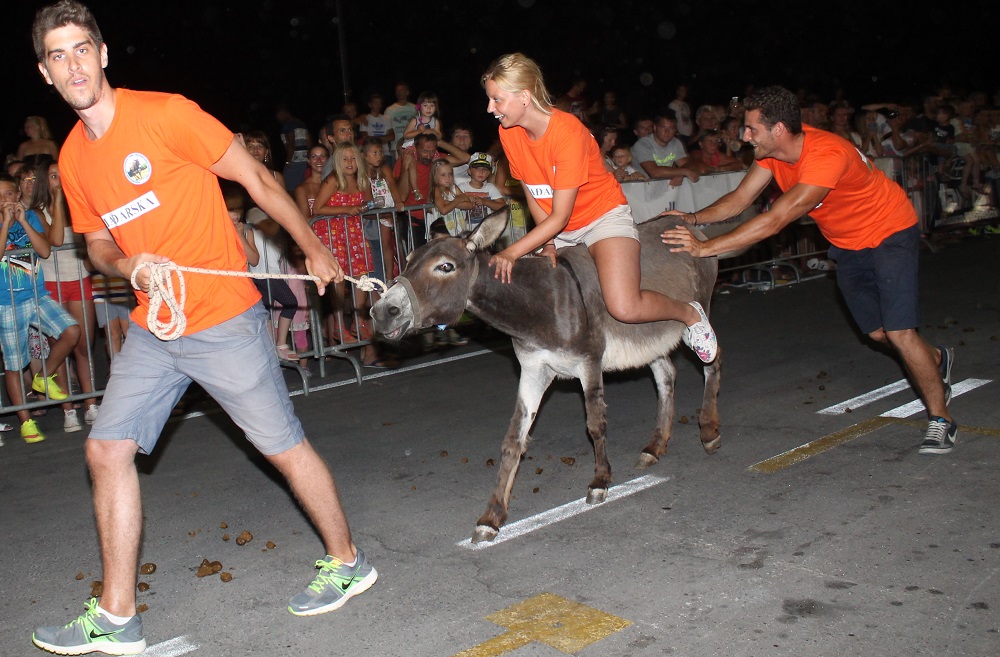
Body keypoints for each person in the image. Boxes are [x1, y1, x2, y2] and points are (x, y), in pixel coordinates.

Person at [30, 3, 376, 655]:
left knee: (282, 446)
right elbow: (99, 245)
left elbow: (257, 178)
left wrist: (310, 246)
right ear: (45, 73)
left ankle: (348, 560)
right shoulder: (74, 159)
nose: (73, 64)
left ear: (103, 55)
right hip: (156, 325)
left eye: (81, 49)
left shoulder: (166, 114)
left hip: (223, 315)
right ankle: (117, 615)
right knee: (105, 450)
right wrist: (129, 263)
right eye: (57, 55)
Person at [660, 85, 956, 455]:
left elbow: (775, 220)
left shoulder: (826, 156)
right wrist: (692, 217)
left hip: (889, 233)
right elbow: (739, 199)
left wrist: (705, 248)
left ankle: (941, 420)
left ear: (779, 129)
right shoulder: (771, 155)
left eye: (751, 129)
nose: (744, 135)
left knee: (900, 332)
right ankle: (937, 359)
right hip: (848, 245)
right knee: (879, 333)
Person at [481, 53, 717, 362]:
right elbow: (534, 193)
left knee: (624, 306)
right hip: (556, 226)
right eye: (489, 100)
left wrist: (511, 251)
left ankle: (690, 315)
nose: (490, 108)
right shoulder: (508, 133)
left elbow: (561, 214)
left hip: (601, 216)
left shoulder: (567, 133)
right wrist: (548, 242)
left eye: (497, 100)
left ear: (524, 97)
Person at [0, 173, 82, 444]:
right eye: (0, 196)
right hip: (6, 303)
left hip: (37, 296)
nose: (5, 200)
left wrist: (22, 220)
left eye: (9, 194)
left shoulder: (30, 217)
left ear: (17, 195)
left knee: (71, 331)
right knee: (14, 364)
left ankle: (43, 377)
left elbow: (45, 251)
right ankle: (26, 423)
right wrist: (5, 225)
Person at [26, 158, 101, 430]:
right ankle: (68, 408)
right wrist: (57, 200)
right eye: (54, 176)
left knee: (83, 346)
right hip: (52, 284)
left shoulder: (79, 205)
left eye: (62, 175)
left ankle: (91, 403)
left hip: (79, 279)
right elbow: (55, 239)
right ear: (47, 181)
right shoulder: (36, 211)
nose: (60, 180)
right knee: (61, 345)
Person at [631, 113, 701, 186]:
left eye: (671, 128)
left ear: (675, 130)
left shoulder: (675, 142)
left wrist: (679, 174)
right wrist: (683, 171)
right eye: (663, 127)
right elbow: (654, 172)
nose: (667, 132)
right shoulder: (642, 144)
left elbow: (687, 164)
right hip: (642, 189)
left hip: (666, 188)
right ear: (655, 128)